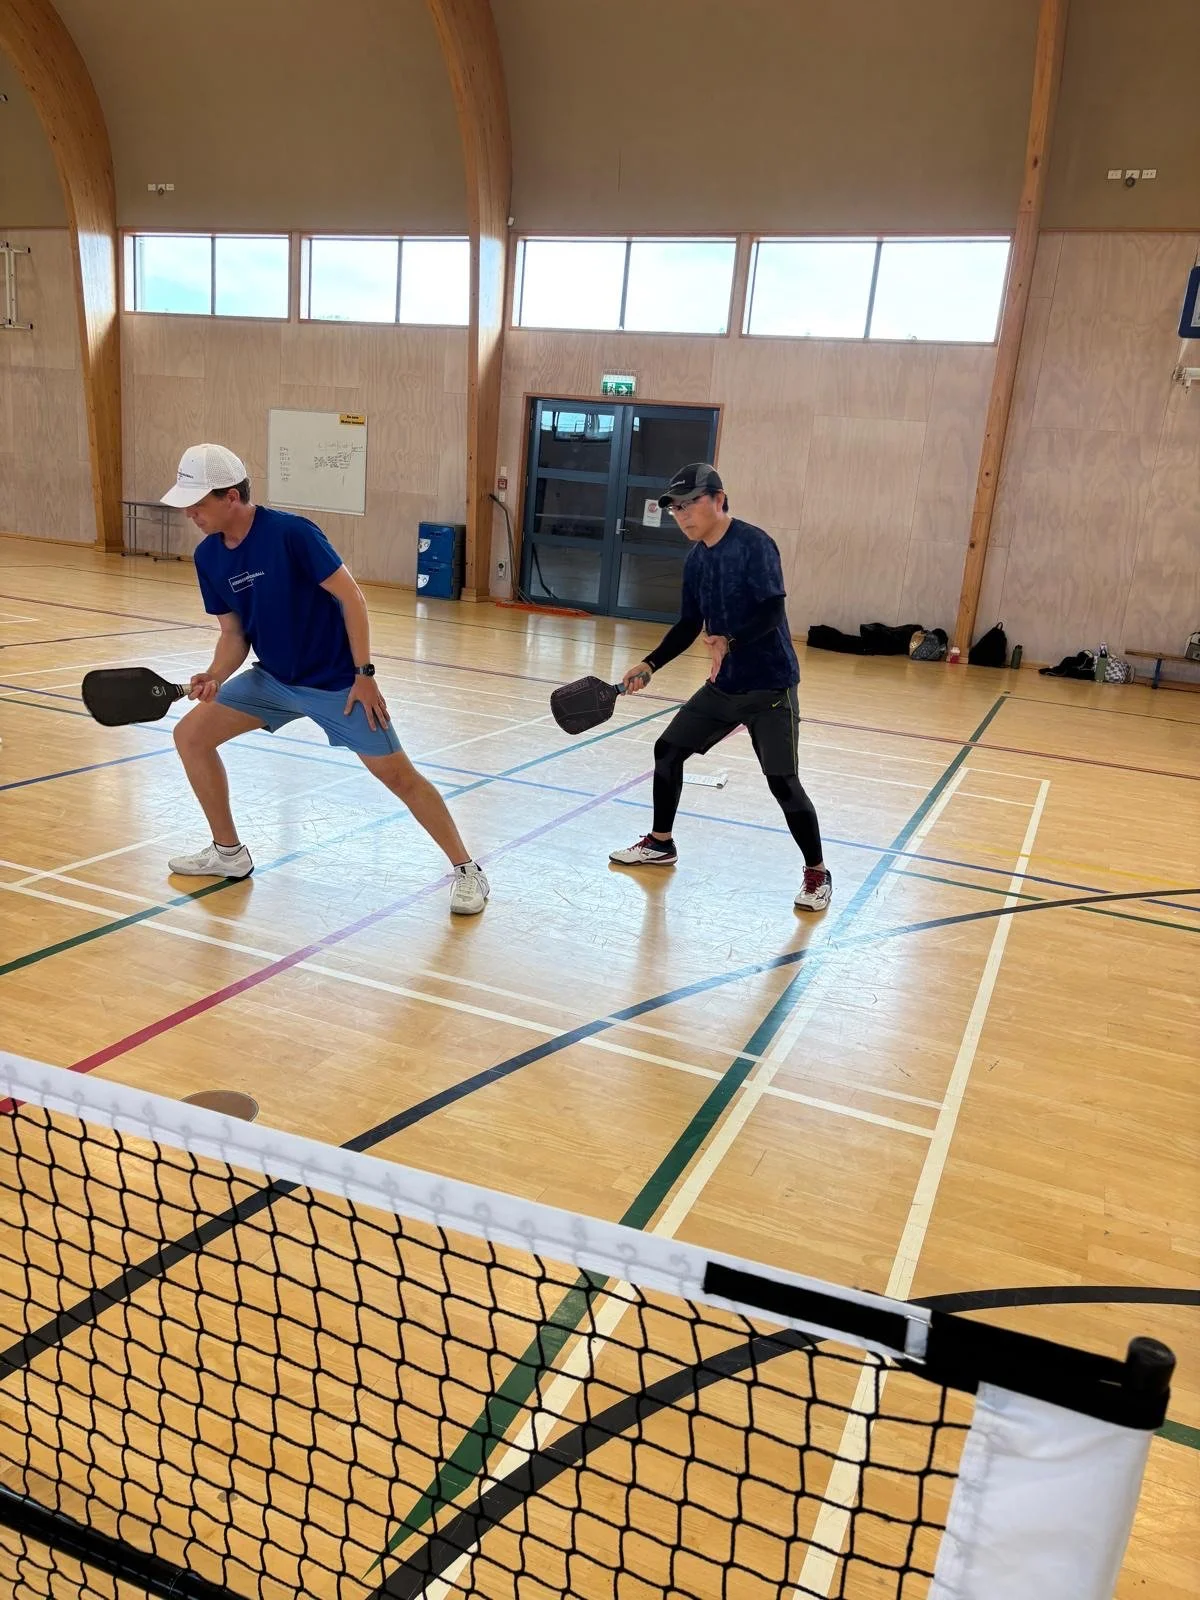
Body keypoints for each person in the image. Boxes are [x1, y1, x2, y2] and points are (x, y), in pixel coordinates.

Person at [159, 443, 489, 915]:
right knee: (190, 736)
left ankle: (467, 869)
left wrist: (364, 675)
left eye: (198, 502)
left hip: (338, 684)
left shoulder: (292, 534)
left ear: (231, 496)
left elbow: (352, 598)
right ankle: (229, 854)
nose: (190, 512)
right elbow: (234, 633)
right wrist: (215, 674)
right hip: (273, 681)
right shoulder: (208, 557)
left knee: (397, 775)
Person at [609, 463, 831, 912]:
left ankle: (817, 873)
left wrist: (730, 641)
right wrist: (651, 664)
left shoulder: (754, 544)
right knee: (668, 750)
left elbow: (771, 612)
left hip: (770, 687)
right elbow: (691, 623)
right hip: (723, 685)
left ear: (719, 499)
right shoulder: (697, 559)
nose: (683, 515)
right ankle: (660, 842)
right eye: (675, 508)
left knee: (782, 782)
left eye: (691, 504)